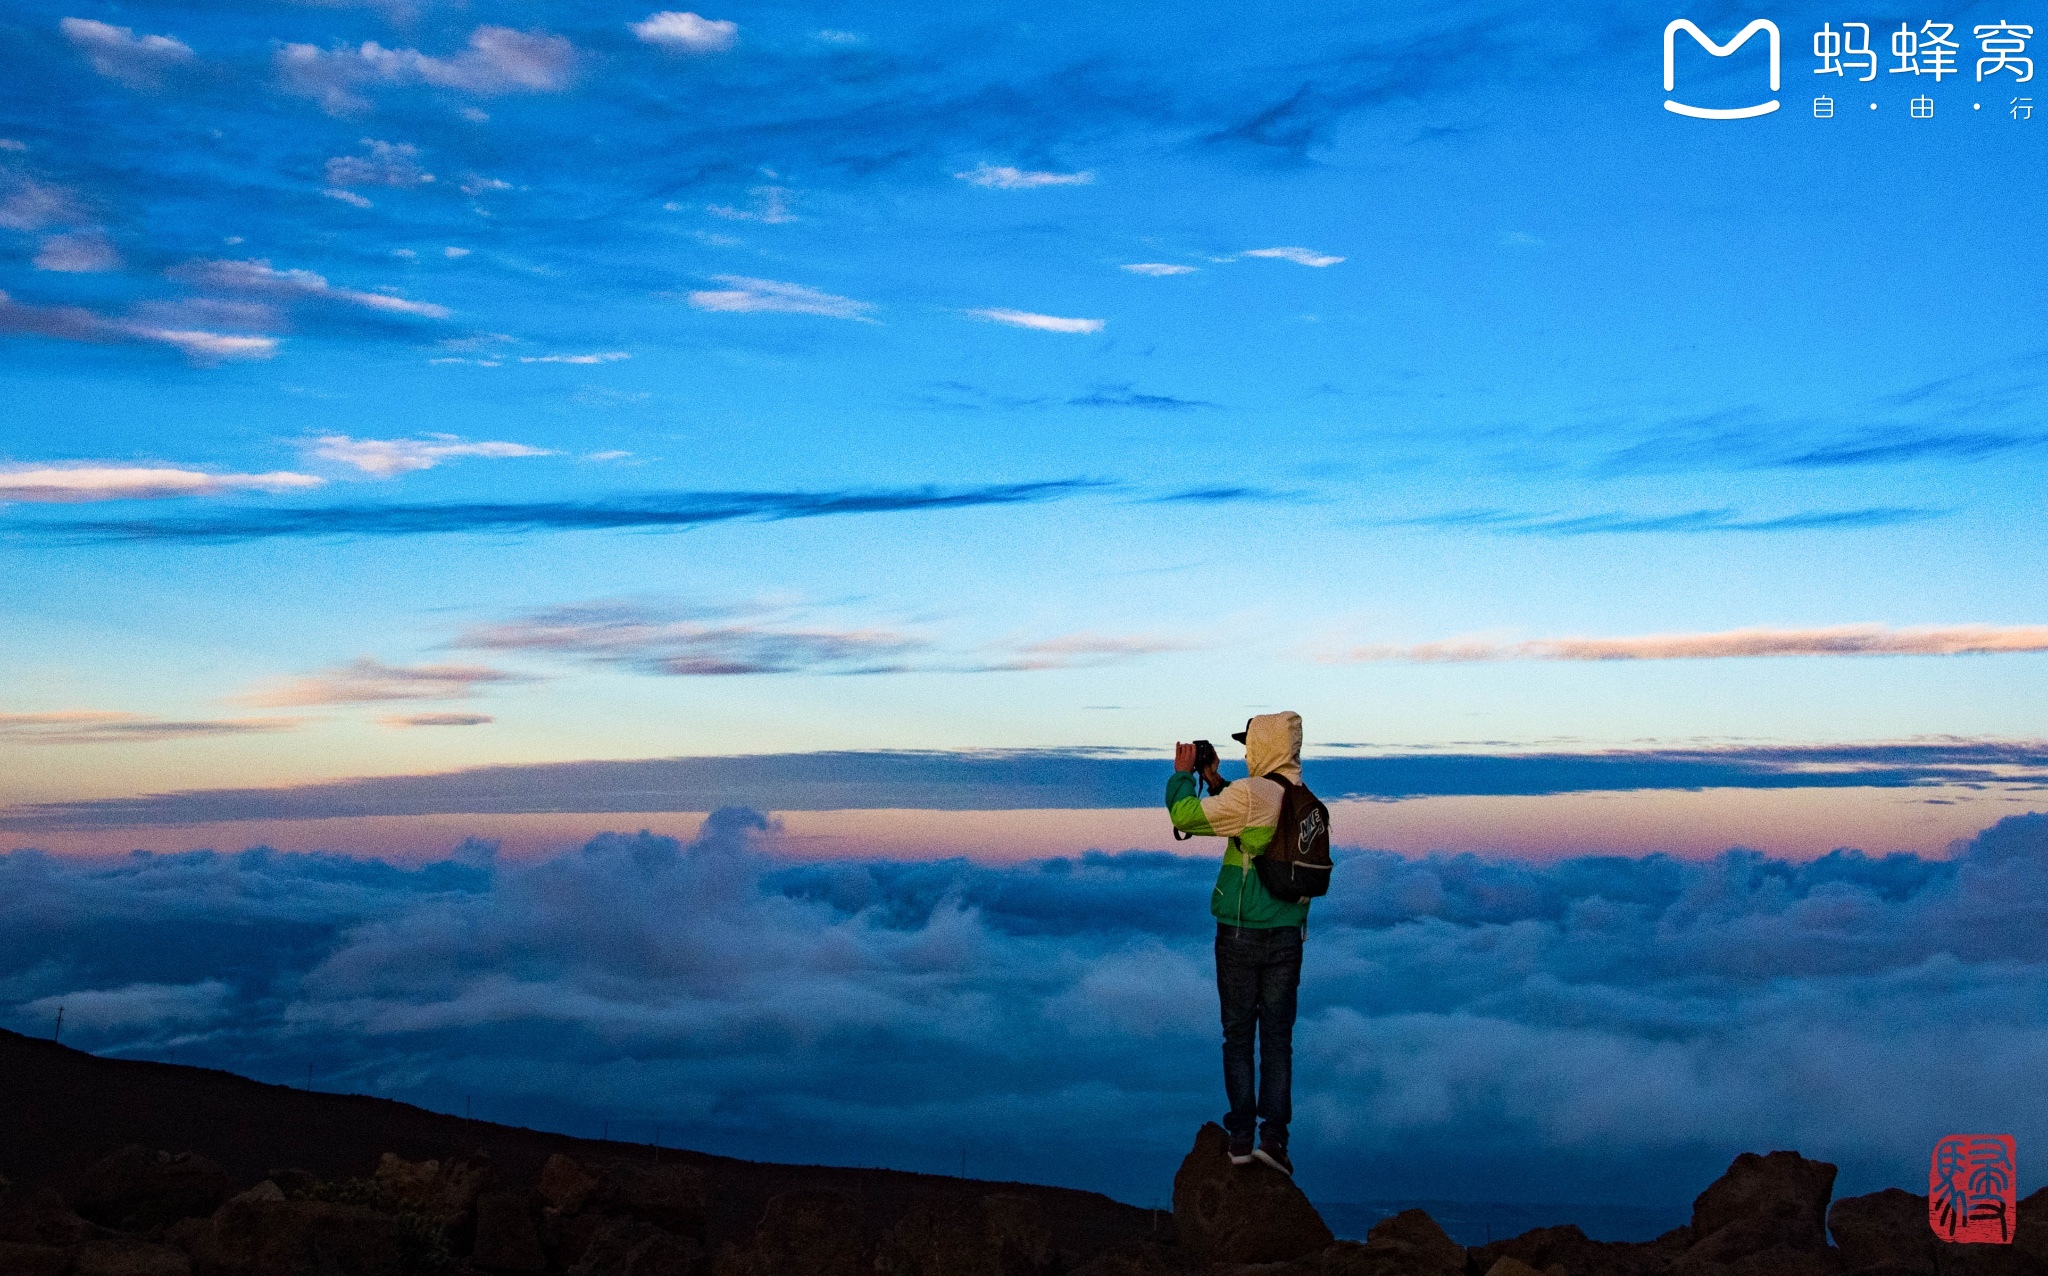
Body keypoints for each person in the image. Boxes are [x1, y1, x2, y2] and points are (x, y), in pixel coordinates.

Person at [1167, 711, 1308, 1177]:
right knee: (1278, 1042)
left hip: (1242, 934)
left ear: (1263, 747)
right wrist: (1216, 779)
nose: (1247, 753)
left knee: (1239, 1037)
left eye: (1250, 745)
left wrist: (1183, 778)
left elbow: (1184, 816)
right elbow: (1249, 810)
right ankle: (1276, 1141)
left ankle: (1242, 1139)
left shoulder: (1252, 794)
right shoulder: (1305, 803)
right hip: (1289, 937)